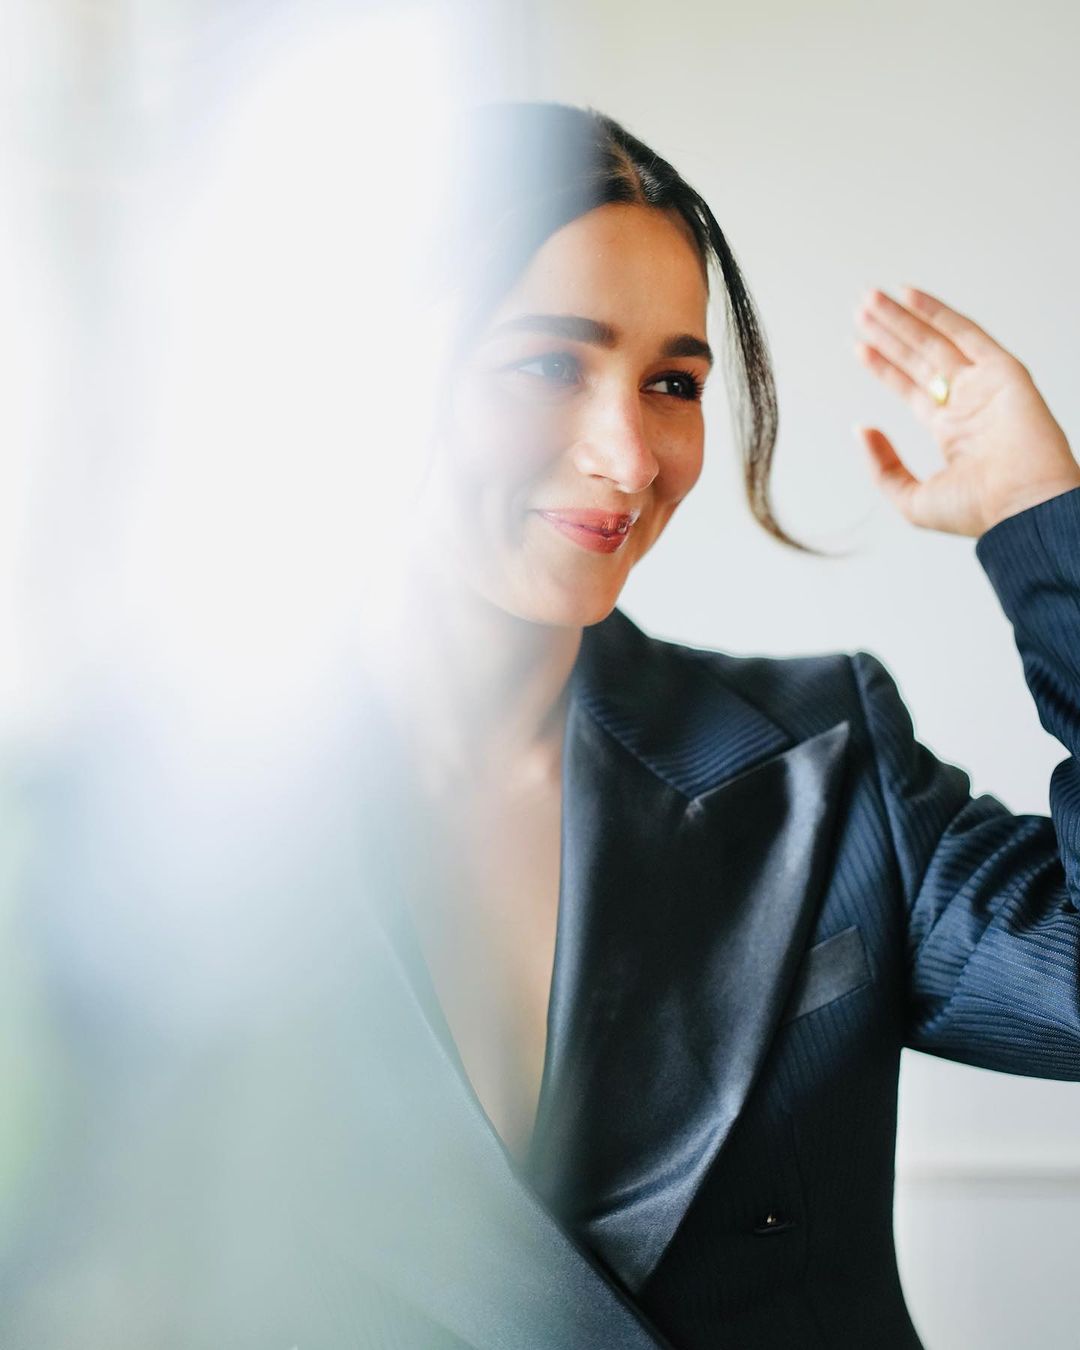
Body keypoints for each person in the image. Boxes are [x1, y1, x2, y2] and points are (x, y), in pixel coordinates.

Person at [2, 100, 1079, 1349]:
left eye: (671, 382)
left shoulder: (822, 754)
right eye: (549, 364)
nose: (630, 456)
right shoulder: (148, 812)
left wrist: (1042, 522)